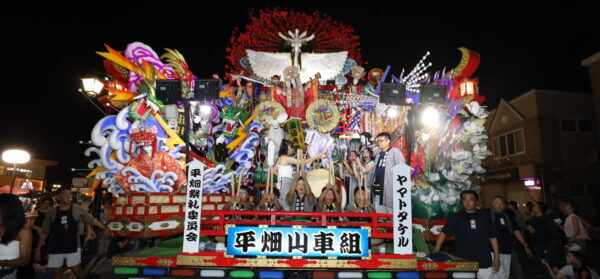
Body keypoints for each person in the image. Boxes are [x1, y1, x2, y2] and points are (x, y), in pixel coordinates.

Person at [38, 186, 109, 279]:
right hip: (55, 247)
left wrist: (105, 229)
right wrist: (38, 249)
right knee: (56, 272)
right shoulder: (51, 213)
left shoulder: (78, 209)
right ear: (58, 197)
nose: (69, 196)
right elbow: (44, 232)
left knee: (76, 270)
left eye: (70, 193)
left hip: (74, 246)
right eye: (66, 194)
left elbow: (92, 220)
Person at [433, 190, 500, 279]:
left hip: (484, 262)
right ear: (461, 202)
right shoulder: (456, 217)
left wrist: (496, 257)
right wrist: (436, 250)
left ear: (476, 201)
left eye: (471, 199)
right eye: (464, 199)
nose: (468, 202)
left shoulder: (485, 216)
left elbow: (493, 237)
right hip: (463, 262)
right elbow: (443, 233)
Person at [274, 139, 325, 210]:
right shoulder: (286, 158)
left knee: (287, 203)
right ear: (288, 147)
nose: (291, 151)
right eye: (291, 149)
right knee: (287, 204)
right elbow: (303, 163)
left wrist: (281, 177)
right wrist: (316, 157)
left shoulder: (280, 158)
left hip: (283, 182)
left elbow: (274, 171)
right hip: (285, 182)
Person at [488, 196, 532, 279]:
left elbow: (517, 232)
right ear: (492, 204)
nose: (499, 205)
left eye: (501, 203)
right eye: (497, 203)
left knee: (505, 273)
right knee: (497, 273)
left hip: (507, 249)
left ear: (504, 205)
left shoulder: (508, 216)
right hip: (492, 251)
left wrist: (525, 245)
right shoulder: (487, 215)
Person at [0, 194, 32, 279]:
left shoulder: (23, 231)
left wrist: (2, 263)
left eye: (1, 212)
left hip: (6, 274)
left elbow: (25, 260)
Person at [372, 132, 405, 213]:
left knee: (392, 216)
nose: (379, 143)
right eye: (378, 141)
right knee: (380, 217)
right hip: (377, 190)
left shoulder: (394, 152)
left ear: (388, 141)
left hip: (390, 190)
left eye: (381, 141)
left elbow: (401, 169)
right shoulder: (378, 155)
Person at [526, 202, 560, 279]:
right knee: (545, 265)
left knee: (546, 265)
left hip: (544, 246)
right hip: (540, 245)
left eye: (534, 206)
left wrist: (527, 227)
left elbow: (531, 230)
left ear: (539, 209)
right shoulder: (536, 218)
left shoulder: (543, 219)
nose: (532, 207)